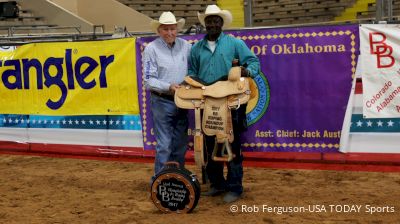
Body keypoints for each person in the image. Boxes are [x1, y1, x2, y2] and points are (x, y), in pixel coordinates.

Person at [188, 5, 260, 203]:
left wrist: (245, 72)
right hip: (207, 100)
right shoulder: (196, 48)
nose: (212, 24)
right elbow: (193, 72)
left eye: (215, 20)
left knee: (232, 143)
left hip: (231, 102)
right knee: (210, 142)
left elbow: (254, 62)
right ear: (205, 23)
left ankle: (235, 186)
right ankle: (217, 183)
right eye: (209, 21)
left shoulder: (235, 43)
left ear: (221, 23)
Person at [143, 12, 191, 179]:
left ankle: (177, 180)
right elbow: (149, 81)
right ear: (159, 30)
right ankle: (160, 181)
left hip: (182, 100)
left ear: (177, 29)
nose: (170, 32)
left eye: (172, 28)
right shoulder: (151, 49)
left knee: (180, 144)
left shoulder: (186, 46)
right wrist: (168, 86)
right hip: (162, 100)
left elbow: (192, 70)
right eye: (166, 29)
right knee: (164, 144)